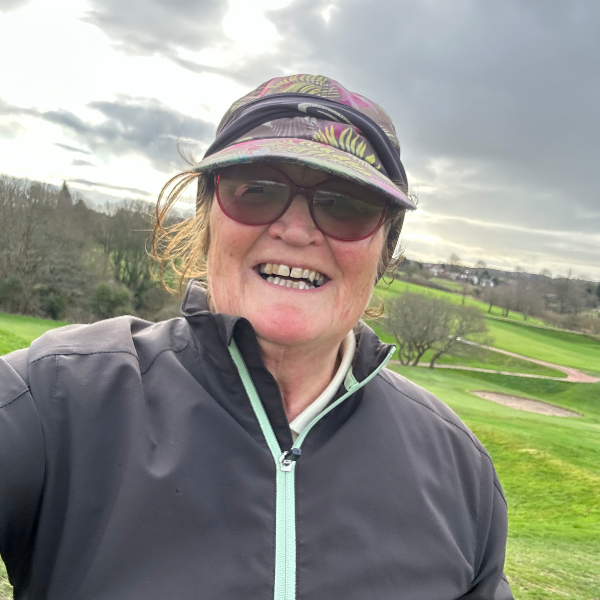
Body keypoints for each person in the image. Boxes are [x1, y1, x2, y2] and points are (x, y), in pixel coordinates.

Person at [0, 74, 513, 599]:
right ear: (207, 220)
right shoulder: (54, 398)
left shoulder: (460, 472)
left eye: (345, 204)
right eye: (258, 191)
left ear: (386, 250)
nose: (296, 230)